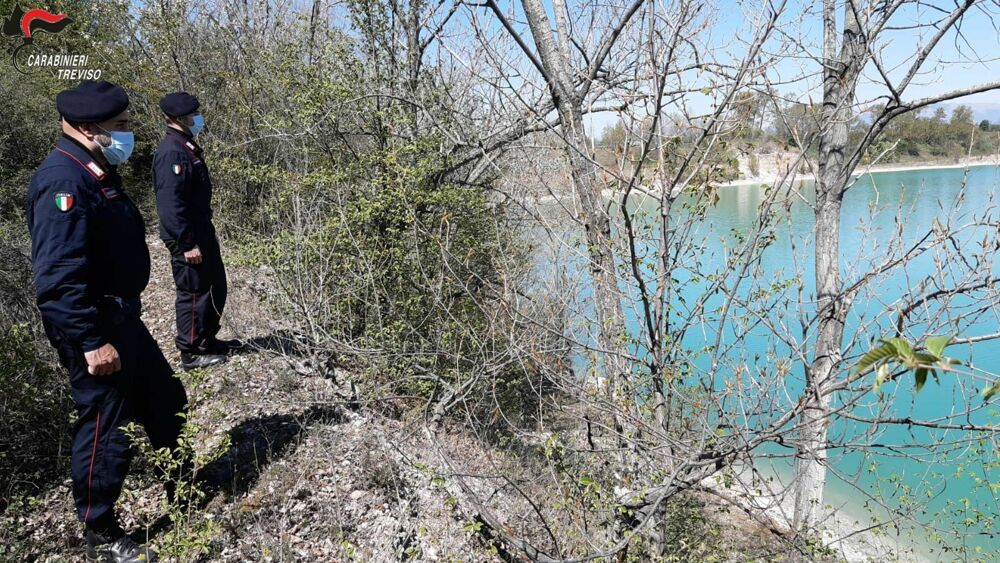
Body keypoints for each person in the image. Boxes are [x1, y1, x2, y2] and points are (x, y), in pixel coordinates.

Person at [26, 80, 187, 562]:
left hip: (119, 315)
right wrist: (91, 341)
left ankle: (183, 488)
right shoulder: (64, 181)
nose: (129, 135)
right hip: (94, 324)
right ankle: (101, 531)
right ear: (88, 128)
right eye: (121, 127)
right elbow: (57, 278)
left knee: (164, 398)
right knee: (105, 430)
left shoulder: (93, 170)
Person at [152, 92, 238, 370]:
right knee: (193, 291)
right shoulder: (172, 153)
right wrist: (186, 243)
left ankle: (207, 339)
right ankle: (190, 351)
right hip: (188, 237)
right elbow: (170, 204)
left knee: (214, 287)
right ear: (178, 118)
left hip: (201, 231)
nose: (197, 118)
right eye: (193, 114)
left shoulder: (186, 146)